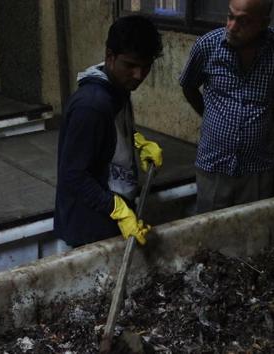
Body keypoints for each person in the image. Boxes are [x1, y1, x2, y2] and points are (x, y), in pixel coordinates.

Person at [180, 0, 274, 213]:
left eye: (244, 21)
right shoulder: (208, 45)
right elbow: (189, 85)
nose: (232, 26)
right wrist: (210, 115)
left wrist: (268, 118)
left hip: (256, 167)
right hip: (214, 165)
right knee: (209, 234)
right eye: (230, 16)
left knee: (252, 234)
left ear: (264, 23)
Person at [54, 15, 164, 248]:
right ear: (109, 56)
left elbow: (108, 134)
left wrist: (137, 141)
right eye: (131, 65)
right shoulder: (91, 106)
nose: (139, 75)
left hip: (110, 211)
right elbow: (73, 175)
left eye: (146, 66)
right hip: (90, 226)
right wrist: (116, 209)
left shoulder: (117, 86)